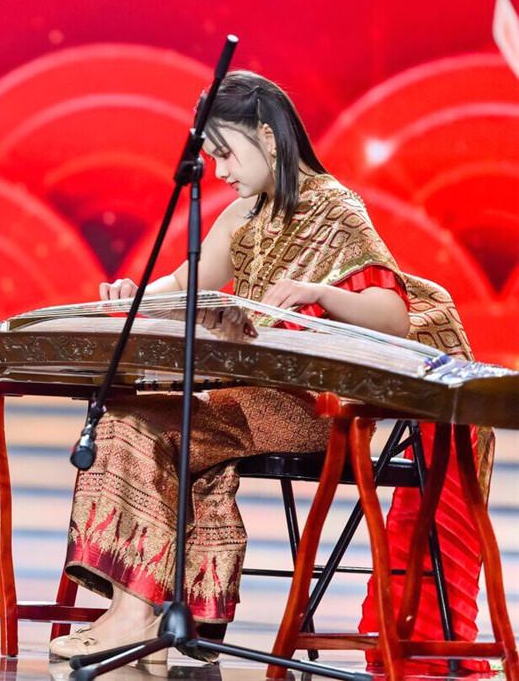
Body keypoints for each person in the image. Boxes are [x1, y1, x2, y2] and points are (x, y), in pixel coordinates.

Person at [47, 71, 489, 663]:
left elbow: (391, 316)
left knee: (142, 426)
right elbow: (183, 283)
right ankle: (150, 612)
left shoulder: (335, 209)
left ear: (269, 137)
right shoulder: (242, 216)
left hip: (311, 409)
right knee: (124, 419)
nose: (219, 170)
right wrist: (134, 295)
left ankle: (137, 616)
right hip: (244, 401)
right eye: (211, 156)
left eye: (226, 153)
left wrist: (321, 293)